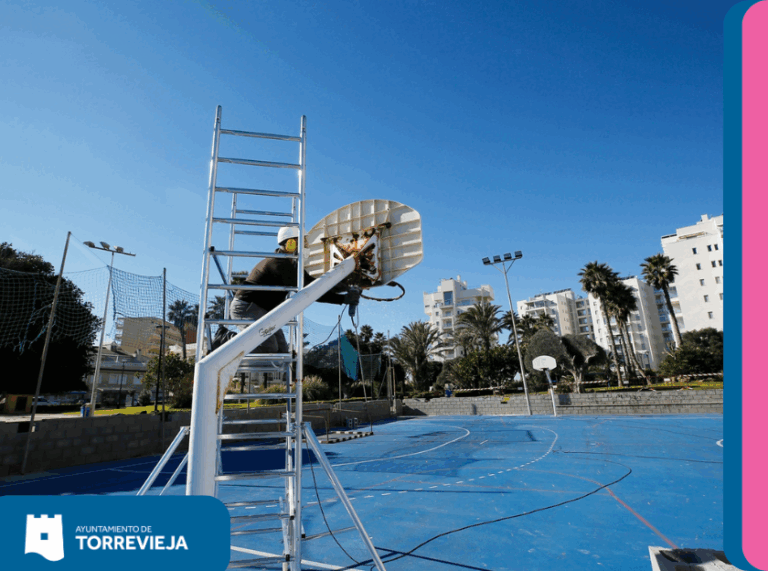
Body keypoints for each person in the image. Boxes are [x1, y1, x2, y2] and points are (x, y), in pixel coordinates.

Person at [229, 226, 360, 354]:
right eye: (302, 242)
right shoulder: (280, 264)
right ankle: (226, 341)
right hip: (247, 308)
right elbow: (311, 291)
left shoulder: (290, 264)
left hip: (262, 310)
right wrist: (342, 299)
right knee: (268, 347)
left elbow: (313, 283)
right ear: (290, 244)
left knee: (281, 351)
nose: (306, 246)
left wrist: (343, 286)